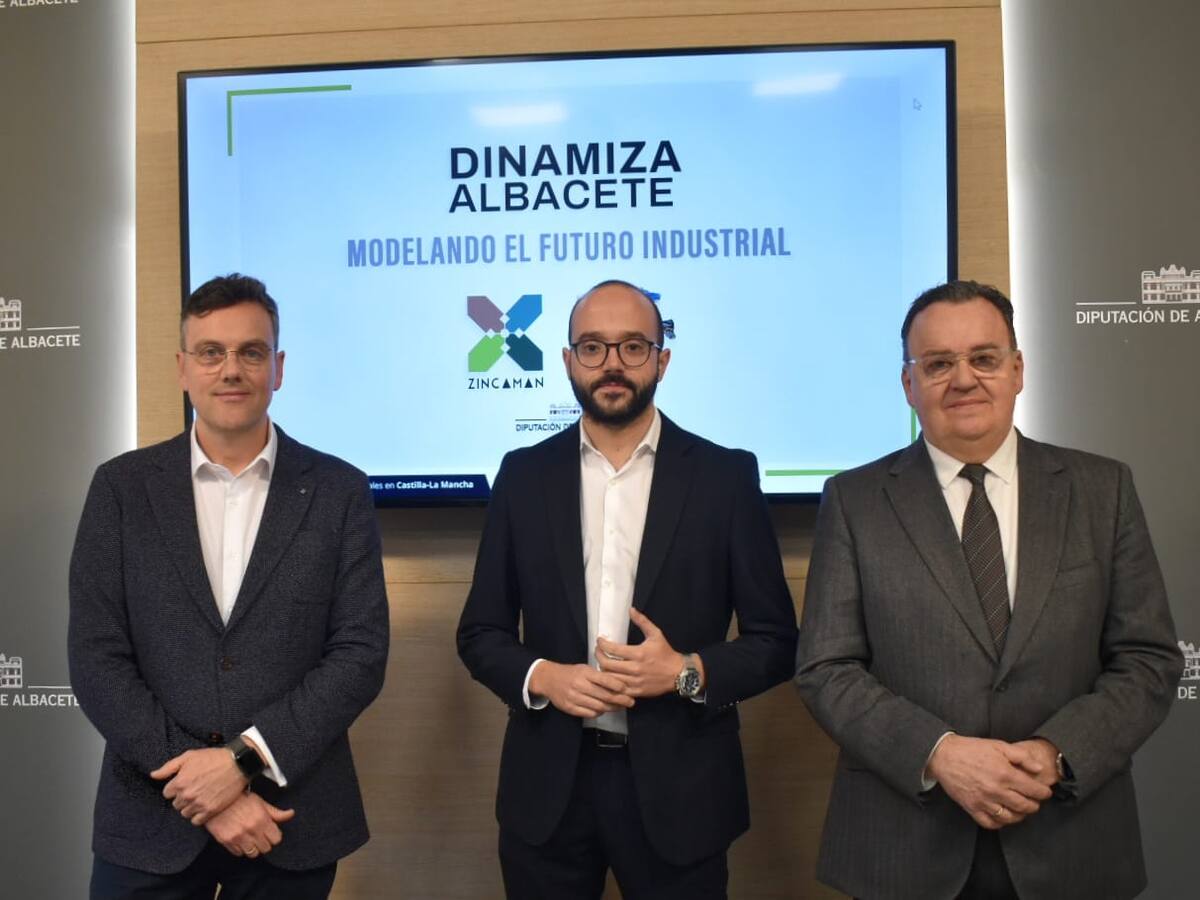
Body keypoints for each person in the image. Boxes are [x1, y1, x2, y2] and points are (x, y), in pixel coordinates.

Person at [794, 280, 1182, 900]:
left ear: (1017, 370)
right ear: (908, 384)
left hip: (1070, 836)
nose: (964, 379)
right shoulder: (854, 500)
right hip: (906, 847)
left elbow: (1148, 658)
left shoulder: (1102, 490)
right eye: (938, 364)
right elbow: (826, 668)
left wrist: (1057, 752)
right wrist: (940, 754)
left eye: (983, 358)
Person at [456, 279, 797, 899]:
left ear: (662, 360)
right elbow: (481, 633)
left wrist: (686, 673)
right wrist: (543, 677)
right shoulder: (523, 475)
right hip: (548, 790)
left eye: (633, 347)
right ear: (568, 361)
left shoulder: (725, 477)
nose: (612, 363)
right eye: (593, 347)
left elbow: (776, 642)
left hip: (683, 792)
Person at [68, 274, 389, 899]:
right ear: (183, 368)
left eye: (251, 352)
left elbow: (360, 654)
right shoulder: (121, 488)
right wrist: (204, 789)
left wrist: (244, 761)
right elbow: (97, 658)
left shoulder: (339, 491)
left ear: (279, 368)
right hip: (150, 819)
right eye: (211, 352)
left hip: (288, 821)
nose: (231, 369)